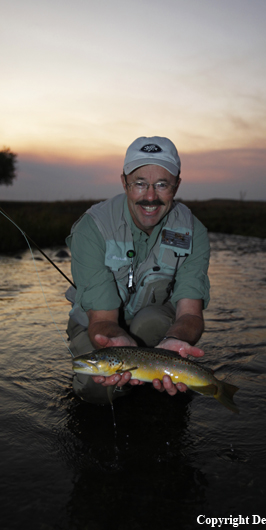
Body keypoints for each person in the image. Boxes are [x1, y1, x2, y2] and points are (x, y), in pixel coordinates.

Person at [65, 136, 210, 403]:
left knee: (152, 324)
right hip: (101, 322)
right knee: (97, 390)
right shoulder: (92, 229)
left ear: (177, 185)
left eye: (162, 184)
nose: (150, 196)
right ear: (124, 182)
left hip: (153, 320)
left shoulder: (193, 232)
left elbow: (190, 314)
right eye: (140, 184)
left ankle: (153, 390)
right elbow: (103, 321)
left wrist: (173, 343)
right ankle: (126, 389)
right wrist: (118, 342)